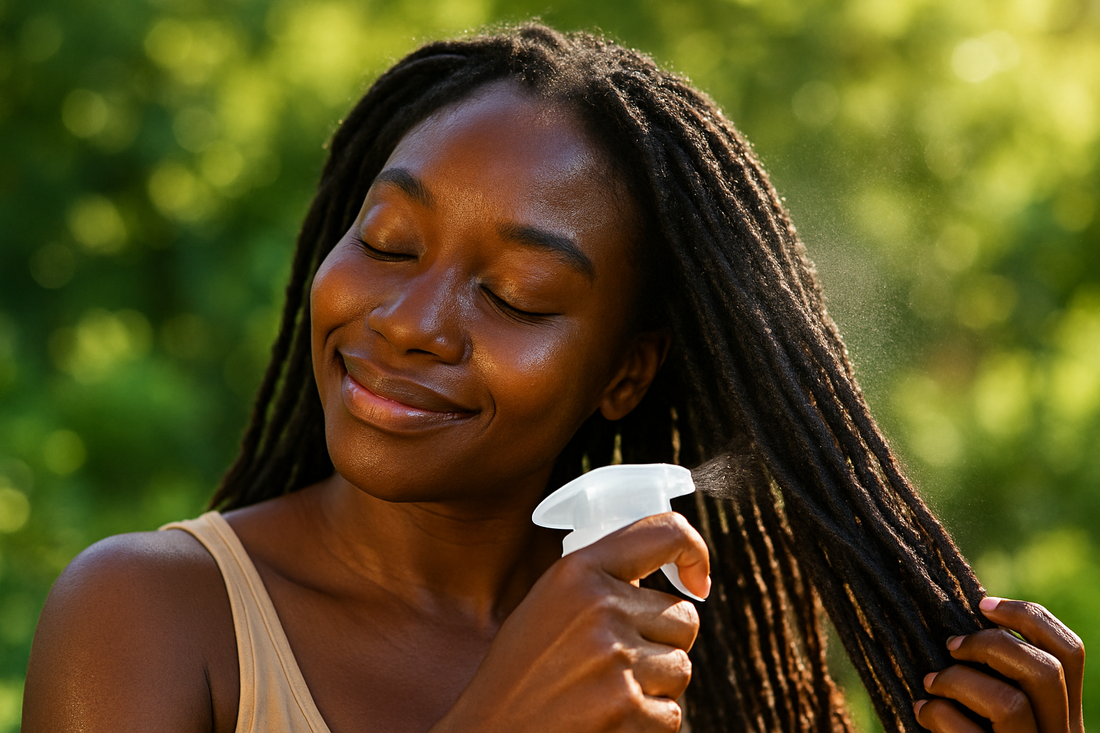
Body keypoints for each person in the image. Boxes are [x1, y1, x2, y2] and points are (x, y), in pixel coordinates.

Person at [22, 24, 1084, 733]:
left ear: (624, 374)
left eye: (518, 295)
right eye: (387, 240)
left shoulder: (666, 656)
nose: (410, 322)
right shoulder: (150, 613)